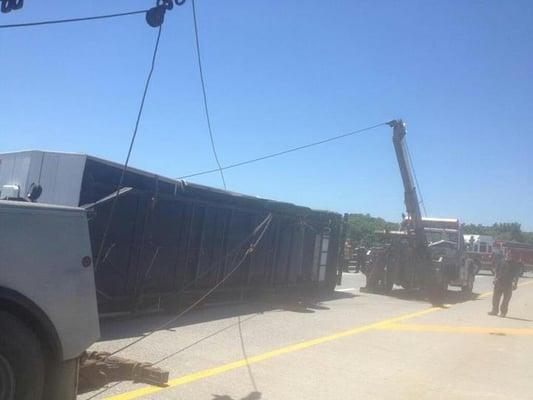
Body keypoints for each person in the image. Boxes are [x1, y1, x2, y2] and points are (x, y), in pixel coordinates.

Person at [488, 251, 522, 317]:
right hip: (499, 282)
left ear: (512, 255)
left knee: (506, 299)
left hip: (508, 284)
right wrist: (494, 279)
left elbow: (516, 275)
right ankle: (494, 311)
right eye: (507, 254)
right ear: (505, 255)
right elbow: (496, 271)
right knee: (495, 298)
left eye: (510, 254)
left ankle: (503, 312)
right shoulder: (501, 261)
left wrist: (515, 284)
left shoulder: (515, 264)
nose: (508, 255)